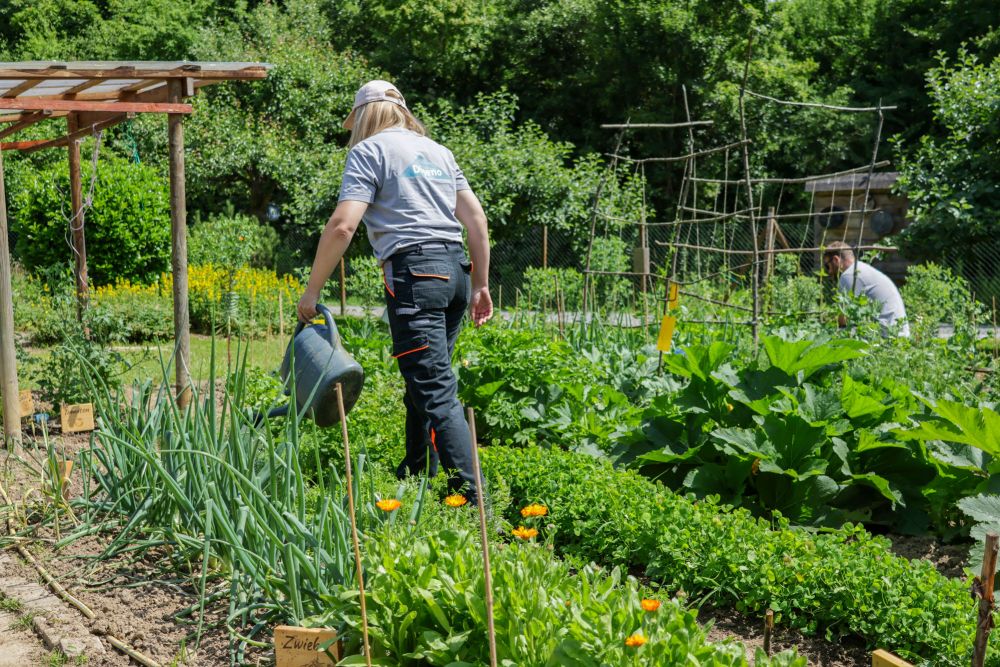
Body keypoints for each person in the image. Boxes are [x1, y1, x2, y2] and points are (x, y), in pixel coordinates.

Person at [297, 80, 494, 503]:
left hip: (417, 274)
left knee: (435, 386)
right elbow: (476, 219)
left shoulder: (368, 152)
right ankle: (417, 469)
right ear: (401, 111)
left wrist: (312, 291)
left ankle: (474, 500)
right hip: (456, 273)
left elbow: (343, 226)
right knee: (422, 378)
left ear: (364, 117)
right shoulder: (439, 153)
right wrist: (481, 284)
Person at [822, 241, 909, 337]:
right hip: (898, 332)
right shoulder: (861, 268)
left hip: (886, 336)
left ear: (836, 260)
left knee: (837, 335)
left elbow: (843, 318)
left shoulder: (850, 275)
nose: (829, 272)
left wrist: (827, 321)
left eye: (827, 266)